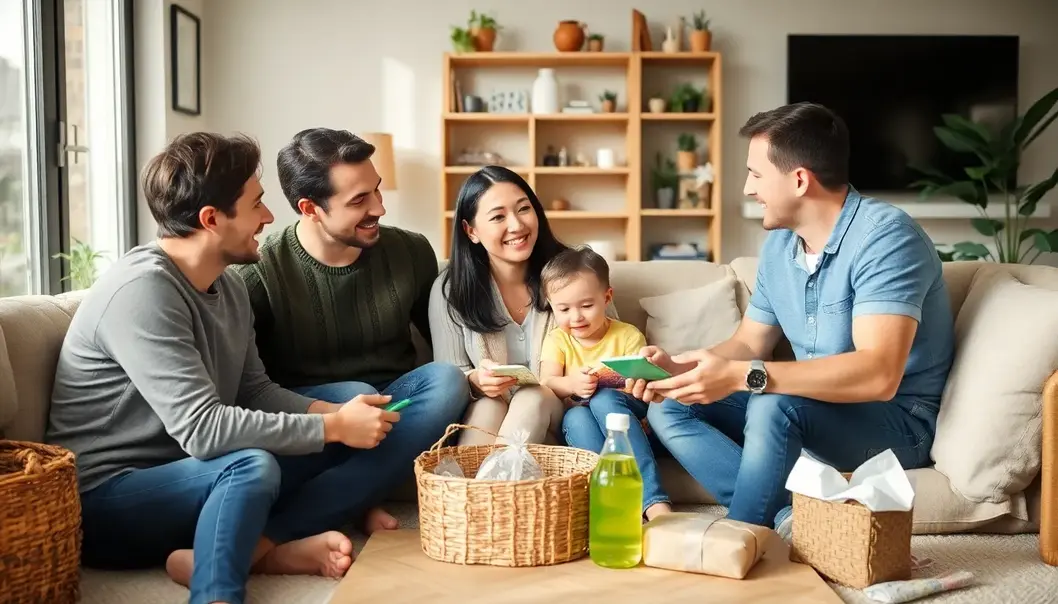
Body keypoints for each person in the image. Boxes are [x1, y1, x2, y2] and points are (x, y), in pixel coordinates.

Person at [46, 132, 438, 604]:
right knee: (252, 465)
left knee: (350, 404)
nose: (270, 217)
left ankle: (253, 551)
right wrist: (332, 428)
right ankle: (219, 591)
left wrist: (336, 413)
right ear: (212, 219)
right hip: (111, 499)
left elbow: (254, 391)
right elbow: (205, 431)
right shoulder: (141, 292)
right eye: (256, 205)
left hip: (198, 473)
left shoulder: (227, 286)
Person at [633, 102, 955, 537]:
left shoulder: (887, 239)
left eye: (756, 174)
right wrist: (681, 368)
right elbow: (749, 344)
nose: (748, 188)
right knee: (675, 404)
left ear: (799, 179)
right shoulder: (781, 246)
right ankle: (786, 517)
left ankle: (737, 537)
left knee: (771, 400)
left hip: (895, 422)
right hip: (811, 407)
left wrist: (744, 377)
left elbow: (879, 375)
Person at [231, 126, 469, 498]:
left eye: (377, 188)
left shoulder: (411, 251)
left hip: (397, 405)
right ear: (310, 208)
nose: (379, 207)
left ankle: (348, 496)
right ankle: (327, 511)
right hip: (314, 412)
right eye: (360, 200)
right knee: (352, 392)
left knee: (448, 379)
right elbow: (250, 390)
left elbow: (449, 341)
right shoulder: (257, 274)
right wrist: (337, 415)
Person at [429, 166, 591, 446]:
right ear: (471, 231)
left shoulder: (573, 272)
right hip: (491, 411)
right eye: (498, 217)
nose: (517, 225)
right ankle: (480, 487)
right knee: (489, 404)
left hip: (562, 416)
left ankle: (489, 484)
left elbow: (613, 343)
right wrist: (477, 381)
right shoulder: (452, 289)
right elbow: (449, 375)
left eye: (523, 209)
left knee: (532, 395)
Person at [538, 246, 673, 520]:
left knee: (604, 398)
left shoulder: (627, 335)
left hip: (630, 420)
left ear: (606, 297)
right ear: (551, 306)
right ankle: (611, 504)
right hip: (581, 417)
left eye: (586, 306)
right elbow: (547, 382)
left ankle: (653, 502)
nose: (576, 317)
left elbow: (641, 381)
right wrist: (572, 384)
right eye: (563, 309)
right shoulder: (557, 339)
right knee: (576, 417)